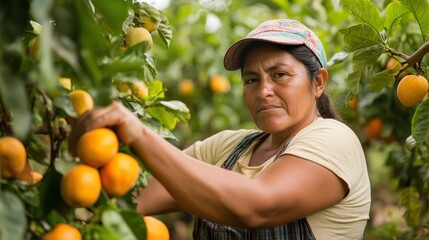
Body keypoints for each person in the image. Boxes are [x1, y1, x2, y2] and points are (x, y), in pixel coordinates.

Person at [68, 19, 371, 239]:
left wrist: (139, 133)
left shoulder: (335, 140)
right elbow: (133, 195)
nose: (263, 90)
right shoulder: (227, 147)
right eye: (252, 80)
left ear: (318, 82)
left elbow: (259, 206)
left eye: (279, 75)